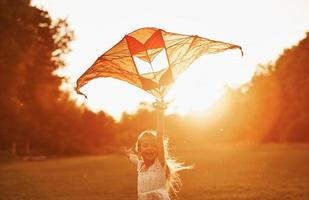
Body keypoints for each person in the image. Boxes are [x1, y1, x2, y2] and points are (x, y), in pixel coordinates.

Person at [126, 102, 192, 200]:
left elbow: (160, 136)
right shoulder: (140, 166)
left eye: (153, 145)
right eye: (145, 145)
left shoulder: (159, 164)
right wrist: (128, 154)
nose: (149, 148)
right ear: (139, 149)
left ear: (158, 149)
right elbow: (133, 158)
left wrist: (160, 113)